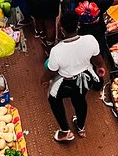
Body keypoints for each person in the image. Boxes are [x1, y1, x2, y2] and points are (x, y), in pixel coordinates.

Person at [46, 11, 107, 142]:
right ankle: (80, 127)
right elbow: (98, 60)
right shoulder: (90, 40)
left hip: (66, 83)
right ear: (77, 25)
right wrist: (100, 68)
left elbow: (51, 71)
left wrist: (44, 80)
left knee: (53, 98)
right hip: (86, 79)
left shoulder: (56, 51)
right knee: (79, 99)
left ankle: (65, 131)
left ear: (61, 30)